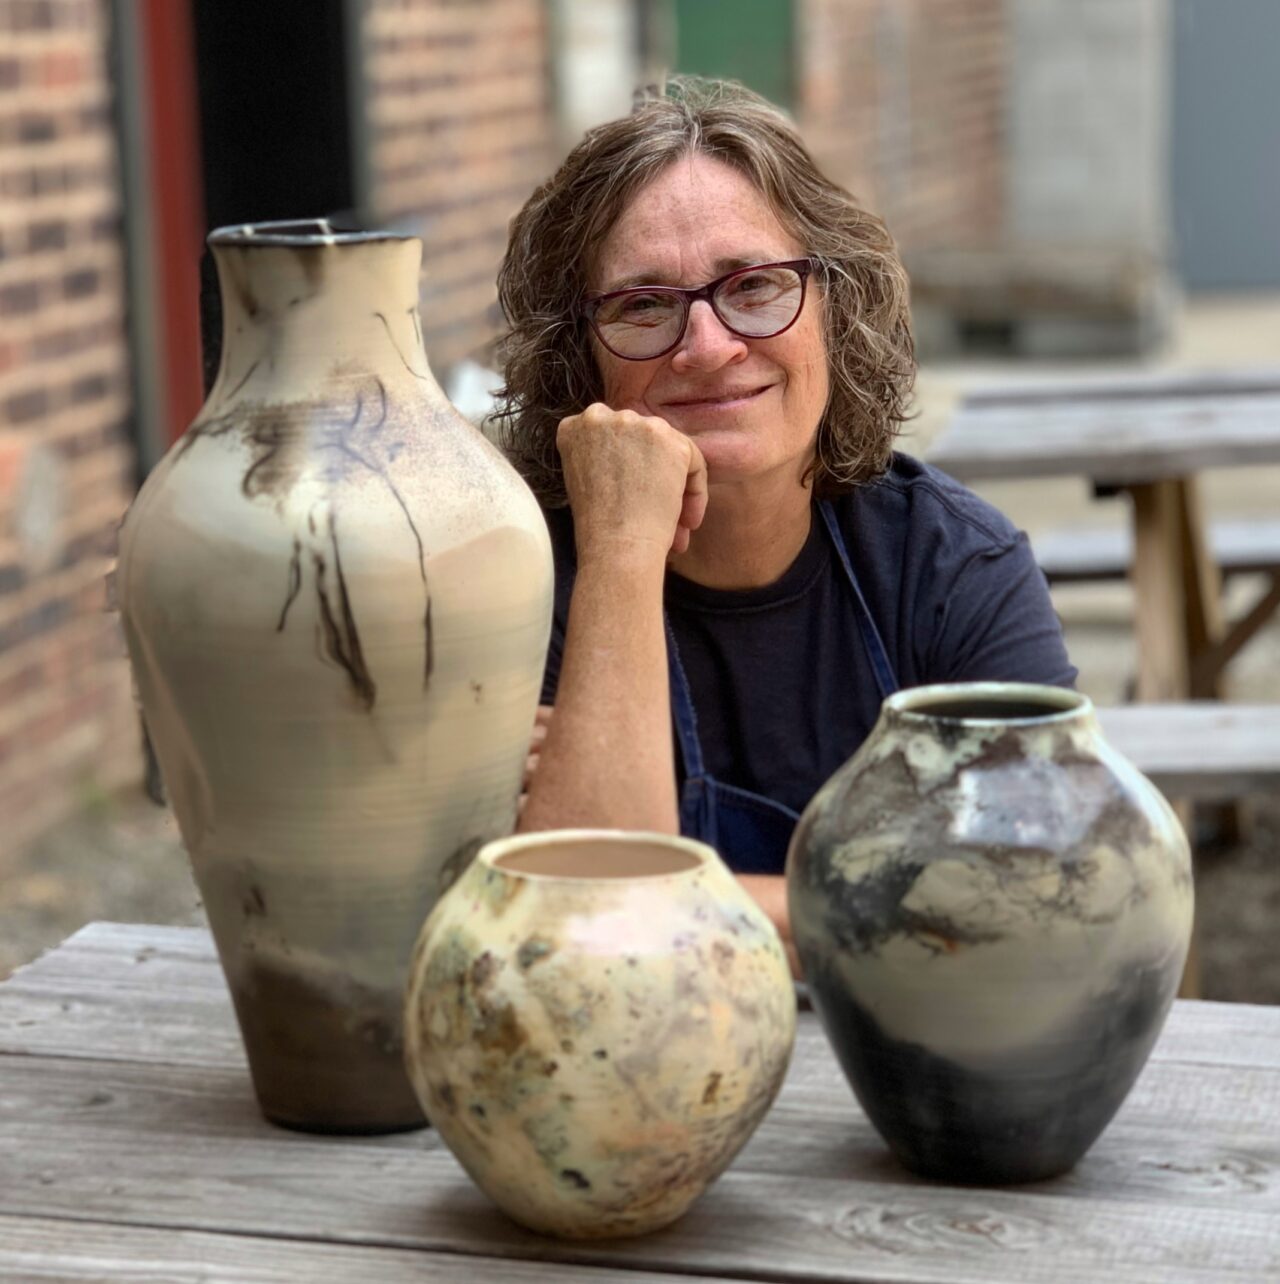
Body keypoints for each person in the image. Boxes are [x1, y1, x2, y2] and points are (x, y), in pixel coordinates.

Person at [494, 78, 1075, 966]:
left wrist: (662, 894)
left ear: (836, 309)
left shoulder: (953, 569)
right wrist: (618, 552)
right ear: (579, 358)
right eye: (643, 305)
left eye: (756, 286)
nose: (709, 346)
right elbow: (570, 941)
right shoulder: (516, 581)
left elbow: (1034, 899)